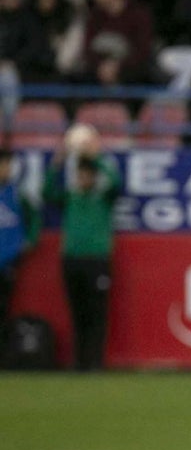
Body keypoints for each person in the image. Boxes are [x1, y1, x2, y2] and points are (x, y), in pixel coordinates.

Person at [43, 142, 122, 372]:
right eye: (81, 174)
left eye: (88, 175)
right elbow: (46, 193)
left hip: (97, 260)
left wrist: (94, 157)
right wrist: (55, 167)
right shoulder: (70, 197)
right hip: (72, 259)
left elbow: (116, 182)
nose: (84, 179)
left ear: (95, 177)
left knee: (97, 312)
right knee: (77, 313)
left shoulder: (103, 199)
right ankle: (79, 361)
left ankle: (96, 362)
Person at [0, 149, 39, 329]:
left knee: (3, 307)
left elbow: (35, 216)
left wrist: (30, 240)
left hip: (8, 259)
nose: (5, 169)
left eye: (8, 165)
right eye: (2, 164)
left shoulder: (17, 192)